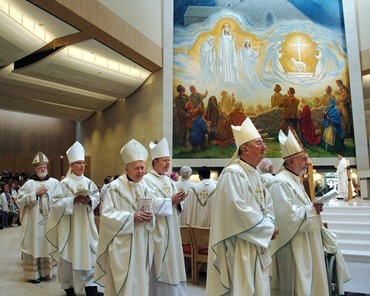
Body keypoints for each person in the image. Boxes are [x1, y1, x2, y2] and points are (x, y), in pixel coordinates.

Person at [267, 128, 350, 296]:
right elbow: (285, 219)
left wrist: (312, 208)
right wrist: (311, 210)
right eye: (304, 159)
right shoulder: (280, 183)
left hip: (306, 242)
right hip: (293, 247)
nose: (307, 163)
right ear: (291, 161)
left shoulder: (294, 180)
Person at [206, 117, 278, 295]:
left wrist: (269, 225)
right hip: (241, 246)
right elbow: (236, 211)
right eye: (259, 143)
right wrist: (267, 228)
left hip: (258, 243)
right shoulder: (233, 173)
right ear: (245, 149)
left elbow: (267, 204)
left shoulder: (256, 174)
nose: (264, 147)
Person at [94, 139, 155, 295]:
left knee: (140, 280)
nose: (140, 171)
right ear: (126, 169)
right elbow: (106, 215)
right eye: (136, 168)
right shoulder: (114, 188)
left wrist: (150, 217)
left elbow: (151, 212)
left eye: (142, 167)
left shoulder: (144, 187)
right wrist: (131, 217)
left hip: (141, 242)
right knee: (122, 284)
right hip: (123, 244)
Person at [46, 141, 103, 296]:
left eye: (83, 163)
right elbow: (55, 203)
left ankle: (91, 287)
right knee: (69, 256)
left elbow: (96, 197)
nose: (82, 166)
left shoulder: (89, 182)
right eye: (78, 163)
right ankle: (69, 287)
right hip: (69, 227)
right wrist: (72, 200)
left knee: (89, 254)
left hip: (85, 226)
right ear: (71, 165)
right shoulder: (64, 184)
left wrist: (89, 200)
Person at [143, 138, 187, 296]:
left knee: (173, 262)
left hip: (173, 229)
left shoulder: (169, 181)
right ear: (155, 162)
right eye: (164, 160)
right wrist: (171, 201)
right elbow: (149, 204)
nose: (168, 163)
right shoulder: (146, 181)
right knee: (161, 263)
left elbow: (177, 204)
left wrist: (180, 201)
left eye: (169, 160)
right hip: (158, 230)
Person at [17, 151, 59, 283]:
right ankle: (33, 275)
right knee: (34, 244)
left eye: (44, 167)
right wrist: (35, 194)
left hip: (50, 221)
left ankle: (46, 273)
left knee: (47, 244)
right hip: (34, 224)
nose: (42, 169)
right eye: (40, 167)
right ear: (35, 170)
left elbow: (60, 199)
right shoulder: (29, 184)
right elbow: (19, 199)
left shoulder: (55, 183)